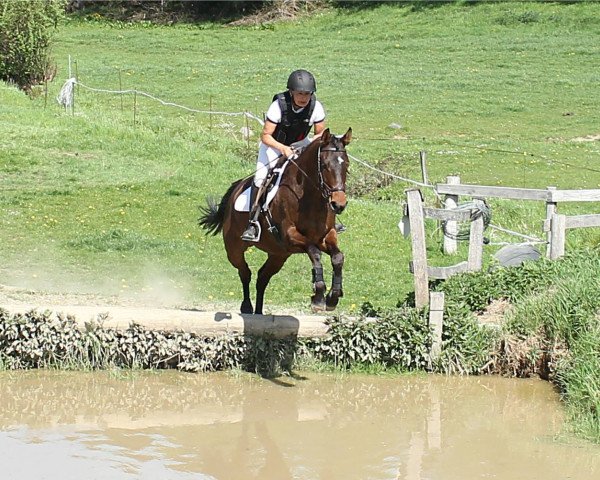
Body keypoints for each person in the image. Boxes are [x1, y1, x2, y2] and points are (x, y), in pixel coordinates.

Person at [241, 69, 326, 242]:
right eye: (300, 93)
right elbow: (265, 136)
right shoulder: (278, 106)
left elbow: (320, 134)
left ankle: (325, 219)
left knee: (318, 176)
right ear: (291, 92)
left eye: (307, 94)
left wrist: (307, 147)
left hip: (299, 145)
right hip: (273, 146)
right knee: (260, 178)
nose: (304, 98)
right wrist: (283, 149)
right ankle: (253, 222)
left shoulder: (316, 107)